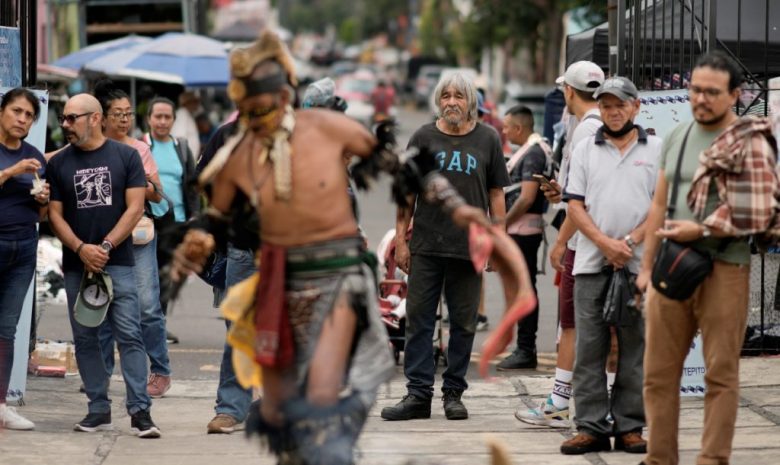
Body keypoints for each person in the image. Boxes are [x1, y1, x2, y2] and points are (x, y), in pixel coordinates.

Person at [170, 31, 395, 464]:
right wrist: (198, 241)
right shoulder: (228, 140)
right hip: (248, 257)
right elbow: (209, 202)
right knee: (248, 338)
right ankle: (231, 409)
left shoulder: (317, 132)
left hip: (318, 267)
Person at [637, 52, 779, 465]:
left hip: (725, 268)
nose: (700, 98)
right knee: (658, 373)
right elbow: (659, 205)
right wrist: (645, 270)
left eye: (711, 92)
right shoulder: (678, 135)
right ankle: (659, 457)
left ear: (735, 95)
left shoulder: (750, 139)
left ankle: (711, 459)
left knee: (720, 374)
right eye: (695, 89)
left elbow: (758, 212)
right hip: (672, 265)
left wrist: (698, 229)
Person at [381, 72, 510, 422]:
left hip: (469, 249)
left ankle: (453, 393)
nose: (452, 101)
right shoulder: (424, 136)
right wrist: (400, 240)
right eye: (446, 96)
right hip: (425, 246)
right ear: (438, 100)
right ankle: (418, 395)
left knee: (464, 324)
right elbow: (406, 193)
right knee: (419, 322)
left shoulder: (488, 139)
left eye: (460, 96)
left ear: (471, 103)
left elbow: (497, 193)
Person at [47, 93, 160, 438]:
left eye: (72, 118)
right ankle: (98, 409)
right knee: (86, 338)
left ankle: (140, 411)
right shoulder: (59, 163)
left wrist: (107, 246)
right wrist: (82, 249)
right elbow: (54, 214)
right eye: (63, 118)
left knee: (129, 334)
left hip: (120, 262)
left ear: (95, 118)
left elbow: (136, 207)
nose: (65, 125)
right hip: (77, 265)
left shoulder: (126, 156)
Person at [560, 76, 659, 455]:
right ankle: (590, 426)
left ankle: (631, 426)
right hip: (590, 263)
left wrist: (629, 243)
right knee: (590, 348)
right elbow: (574, 205)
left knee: (635, 347)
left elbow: (659, 206)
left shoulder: (657, 148)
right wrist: (605, 244)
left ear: (636, 106)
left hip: (639, 264)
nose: (613, 111)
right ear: (598, 108)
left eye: (620, 104)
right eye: (606, 105)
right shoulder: (586, 148)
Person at [515, 61, 604, 426]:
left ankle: (558, 402)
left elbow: (581, 201)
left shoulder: (585, 131)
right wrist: (560, 196)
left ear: (568, 91)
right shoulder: (592, 127)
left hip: (583, 243)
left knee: (570, 325)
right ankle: (585, 400)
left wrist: (560, 242)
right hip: (594, 239)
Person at [92, 80, 172, 399]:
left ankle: (161, 370)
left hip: (137, 237)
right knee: (99, 305)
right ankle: (101, 375)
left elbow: (157, 193)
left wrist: (139, 180)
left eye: (128, 113)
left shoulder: (140, 149)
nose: (125, 119)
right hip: (98, 236)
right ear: (101, 116)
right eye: (118, 114)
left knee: (148, 305)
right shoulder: (90, 148)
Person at [0, 88, 49, 431]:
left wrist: (44, 198)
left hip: (23, 247)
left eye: (29, 115)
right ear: (2, 111)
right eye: (16, 111)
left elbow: (42, 214)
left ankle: (2, 405)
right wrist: (10, 170)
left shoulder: (35, 156)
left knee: (6, 329)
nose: (22, 118)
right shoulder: (19, 159)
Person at [497, 105, 551, 371]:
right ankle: (522, 346)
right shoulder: (530, 151)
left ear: (518, 128)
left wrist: (501, 224)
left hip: (523, 232)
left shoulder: (532, 154)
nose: (504, 132)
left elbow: (527, 197)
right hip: (520, 231)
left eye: (506, 127)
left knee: (523, 289)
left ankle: (525, 349)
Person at [143, 97, 201, 335]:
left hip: (175, 223)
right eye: (158, 116)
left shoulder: (181, 147)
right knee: (145, 277)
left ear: (174, 120)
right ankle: (141, 325)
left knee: (167, 276)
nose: (163, 121)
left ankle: (158, 326)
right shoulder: (141, 146)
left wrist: (194, 216)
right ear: (149, 119)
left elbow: (191, 185)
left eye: (168, 117)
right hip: (147, 221)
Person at [171, 90, 201, 157]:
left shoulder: (187, 114)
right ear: (188, 102)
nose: (197, 104)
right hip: (184, 159)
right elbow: (179, 138)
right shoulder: (182, 114)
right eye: (195, 102)